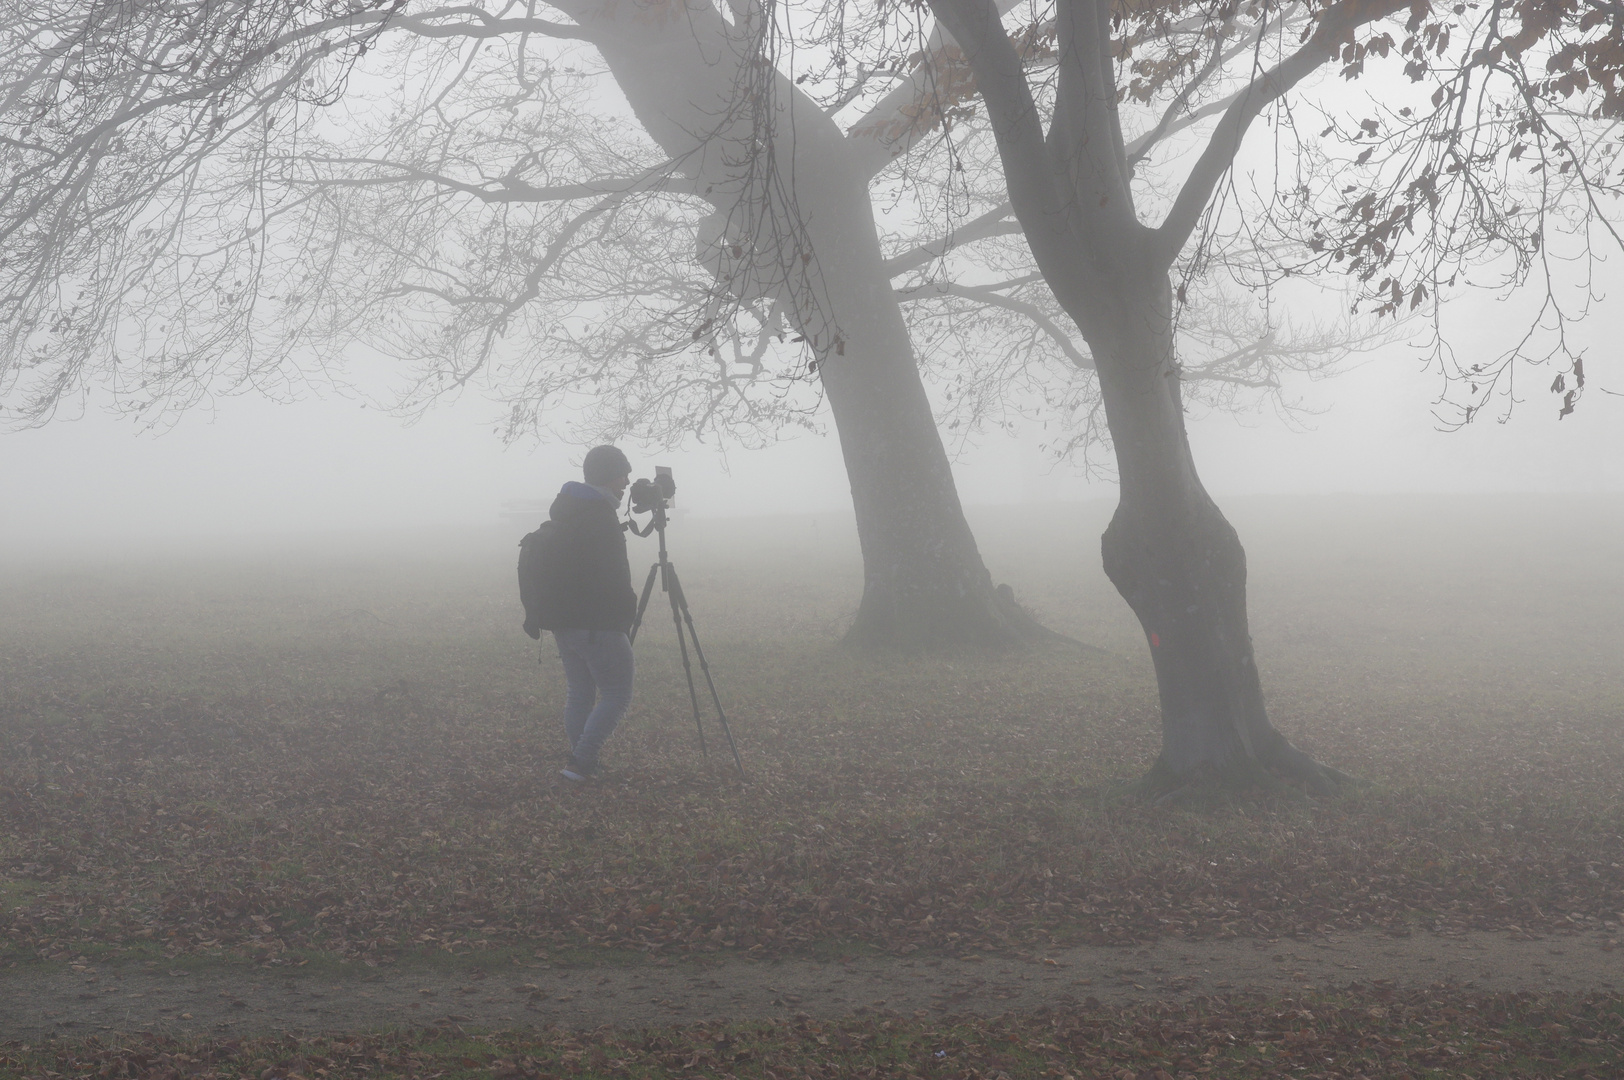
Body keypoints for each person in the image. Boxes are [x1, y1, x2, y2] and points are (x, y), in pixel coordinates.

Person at [547, 444, 637, 782]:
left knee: (580, 691)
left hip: (564, 621)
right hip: (597, 622)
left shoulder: (570, 509)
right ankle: (580, 762)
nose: (627, 481)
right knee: (617, 693)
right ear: (607, 477)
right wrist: (625, 612)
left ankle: (578, 759)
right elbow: (612, 574)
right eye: (622, 475)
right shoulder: (598, 516)